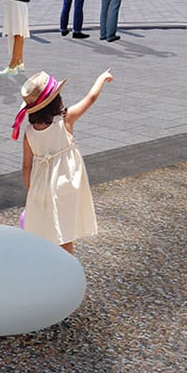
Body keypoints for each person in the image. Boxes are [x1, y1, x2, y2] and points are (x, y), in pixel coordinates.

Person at [13, 68, 113, 253]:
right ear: (55, 101)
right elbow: (90, 98)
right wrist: (101, 79)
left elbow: (26, 166)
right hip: (66, 185)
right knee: (65, 234)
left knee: (46, 231)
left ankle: (51, 268)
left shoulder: (29, 133)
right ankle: (68, 272)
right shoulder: (65, 120)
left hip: (42, 188)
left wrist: (31, 191)